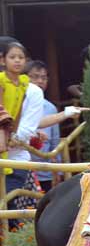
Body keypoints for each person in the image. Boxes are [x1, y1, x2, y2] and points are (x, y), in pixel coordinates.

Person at [1, 39, 44, 215]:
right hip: (4, 138)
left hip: (13, 148)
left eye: (21, 57)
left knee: (9, 200)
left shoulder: (26, 86)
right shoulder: (2, 82)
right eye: (13, 57)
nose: (17, 61)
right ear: (3, 60)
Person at [26, 60, 60, 192]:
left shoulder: (51, 108)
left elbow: (55, 143)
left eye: (43, 77)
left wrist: (58, 171)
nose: (40, 81)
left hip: (45, 172)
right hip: (22, 167)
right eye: (35, 77)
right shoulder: (18, 104)